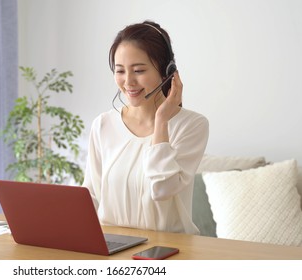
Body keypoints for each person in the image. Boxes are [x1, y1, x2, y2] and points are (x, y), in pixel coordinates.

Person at [82, 20, 209, 234]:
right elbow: (91, 197)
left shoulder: (192, 125)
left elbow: (162, 188)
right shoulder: (103, 124)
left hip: (169, 248)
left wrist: (161, 121)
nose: (128, 82)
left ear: (167, 71)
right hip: (112, 246)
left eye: (139, 70)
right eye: (120, 71)